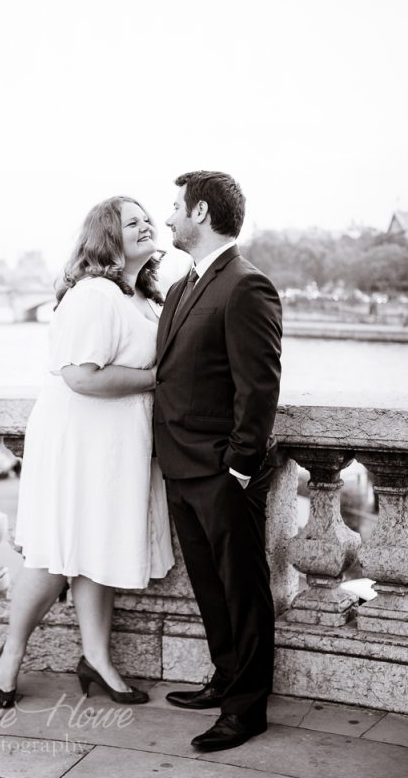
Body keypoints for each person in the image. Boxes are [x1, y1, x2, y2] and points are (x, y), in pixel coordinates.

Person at [0, 196, 174, 708]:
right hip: (79, 439)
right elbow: (80, 377)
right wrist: (162, 378)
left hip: (118, 442)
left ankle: (97, 660)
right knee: (55, 552)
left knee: (99, 548)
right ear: (107, 237)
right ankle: (11, 655)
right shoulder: (94, 293)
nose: (145, 226)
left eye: (147, 219)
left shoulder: (145, 299)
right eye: (130, 221)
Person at [154, 171, 282, 751]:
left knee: (242, 591)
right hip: (180, 468)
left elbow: (258, 388)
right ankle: (225, 677)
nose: (167, 218)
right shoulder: (183, 288)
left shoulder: (247, 285)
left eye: (174, 208)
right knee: (209, 587)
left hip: (222, 473)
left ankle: (246, 709)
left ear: (201, 212)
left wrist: (238, 466)